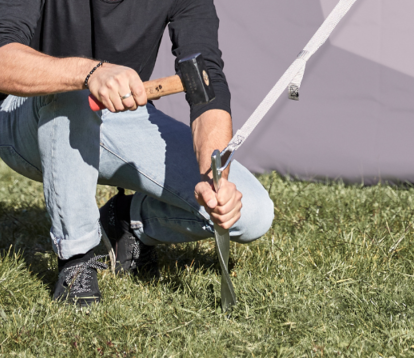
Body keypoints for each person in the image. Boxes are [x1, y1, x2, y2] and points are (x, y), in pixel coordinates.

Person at [0, 0, 274, 306]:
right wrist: (89, 72)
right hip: (28, 117)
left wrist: (215, 180)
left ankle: (127, 222)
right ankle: (77, 258)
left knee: (251, 214)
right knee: (74, 94)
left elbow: (206, 78)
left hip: (122, 116)